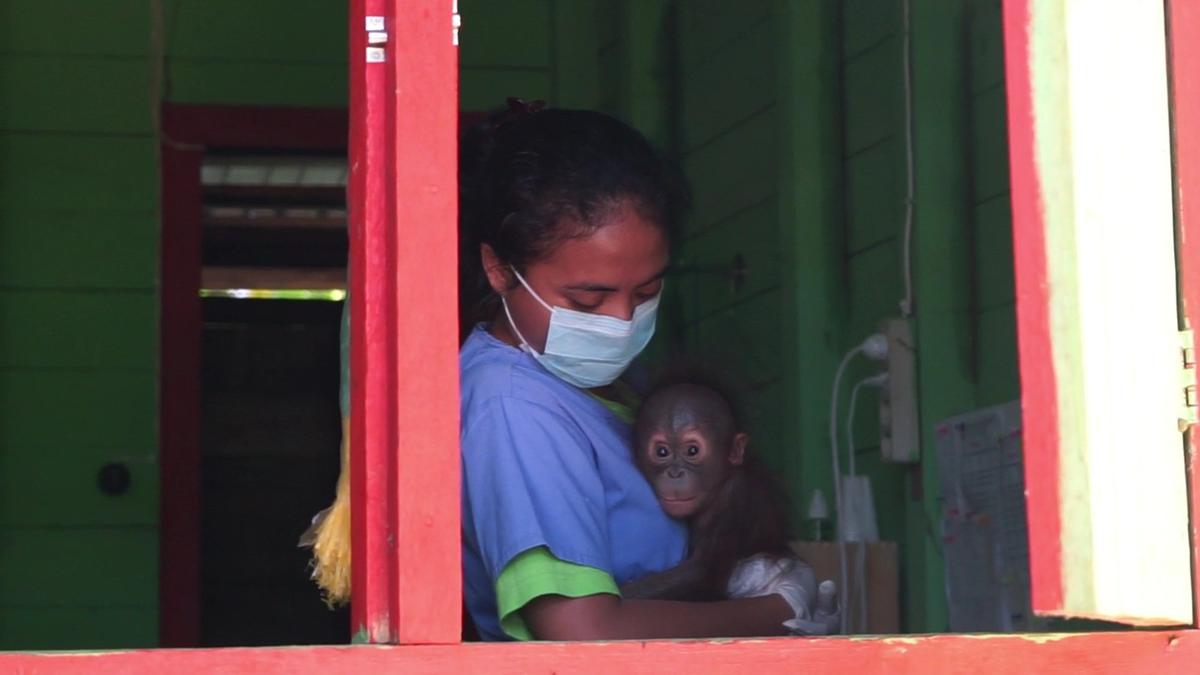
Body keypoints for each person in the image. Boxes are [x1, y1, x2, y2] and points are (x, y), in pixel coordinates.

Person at [458, 103, 815, 641]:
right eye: (589, 298)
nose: (623, 320)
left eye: (646, 292)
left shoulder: (620, 386)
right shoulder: (511, 405)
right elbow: (578, 631)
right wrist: (773, 613)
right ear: (500, 269)